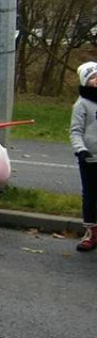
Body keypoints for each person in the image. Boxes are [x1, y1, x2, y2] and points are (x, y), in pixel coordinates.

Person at [70, 62, 97, 251]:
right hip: (89, 158)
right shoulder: (82, 105)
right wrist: (81, 150)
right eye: (92, 78)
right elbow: (75, 131)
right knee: (90, 195)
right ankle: (91, 232)